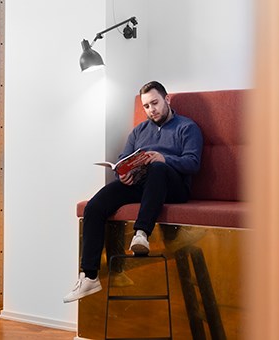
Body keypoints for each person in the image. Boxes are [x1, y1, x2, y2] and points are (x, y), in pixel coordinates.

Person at [64, 81, 203, 303]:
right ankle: (89, 276)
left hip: (174, 187)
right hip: (142, 185)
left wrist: (163, 158)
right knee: (96, 205)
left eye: (155, 103)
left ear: (166, 100)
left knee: (157, 167)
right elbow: (123, 158)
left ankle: (141, 233)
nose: (151, 110)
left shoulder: (187, 127)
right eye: (146, 106)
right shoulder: (139, 131)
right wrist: (123, 173)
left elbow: (193, 163)